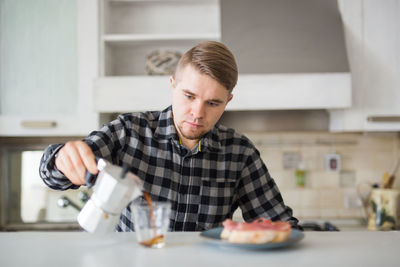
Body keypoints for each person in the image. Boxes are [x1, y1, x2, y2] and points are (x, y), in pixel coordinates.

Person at [39, 41, 299, 231]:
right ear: (173, 85)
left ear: (228, 101)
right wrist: (61, 159)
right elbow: (53, 176)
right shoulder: (129, 131)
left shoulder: (240, 153)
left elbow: (278, 224)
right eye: (189, 96)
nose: (197, 113)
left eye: (213, 103)